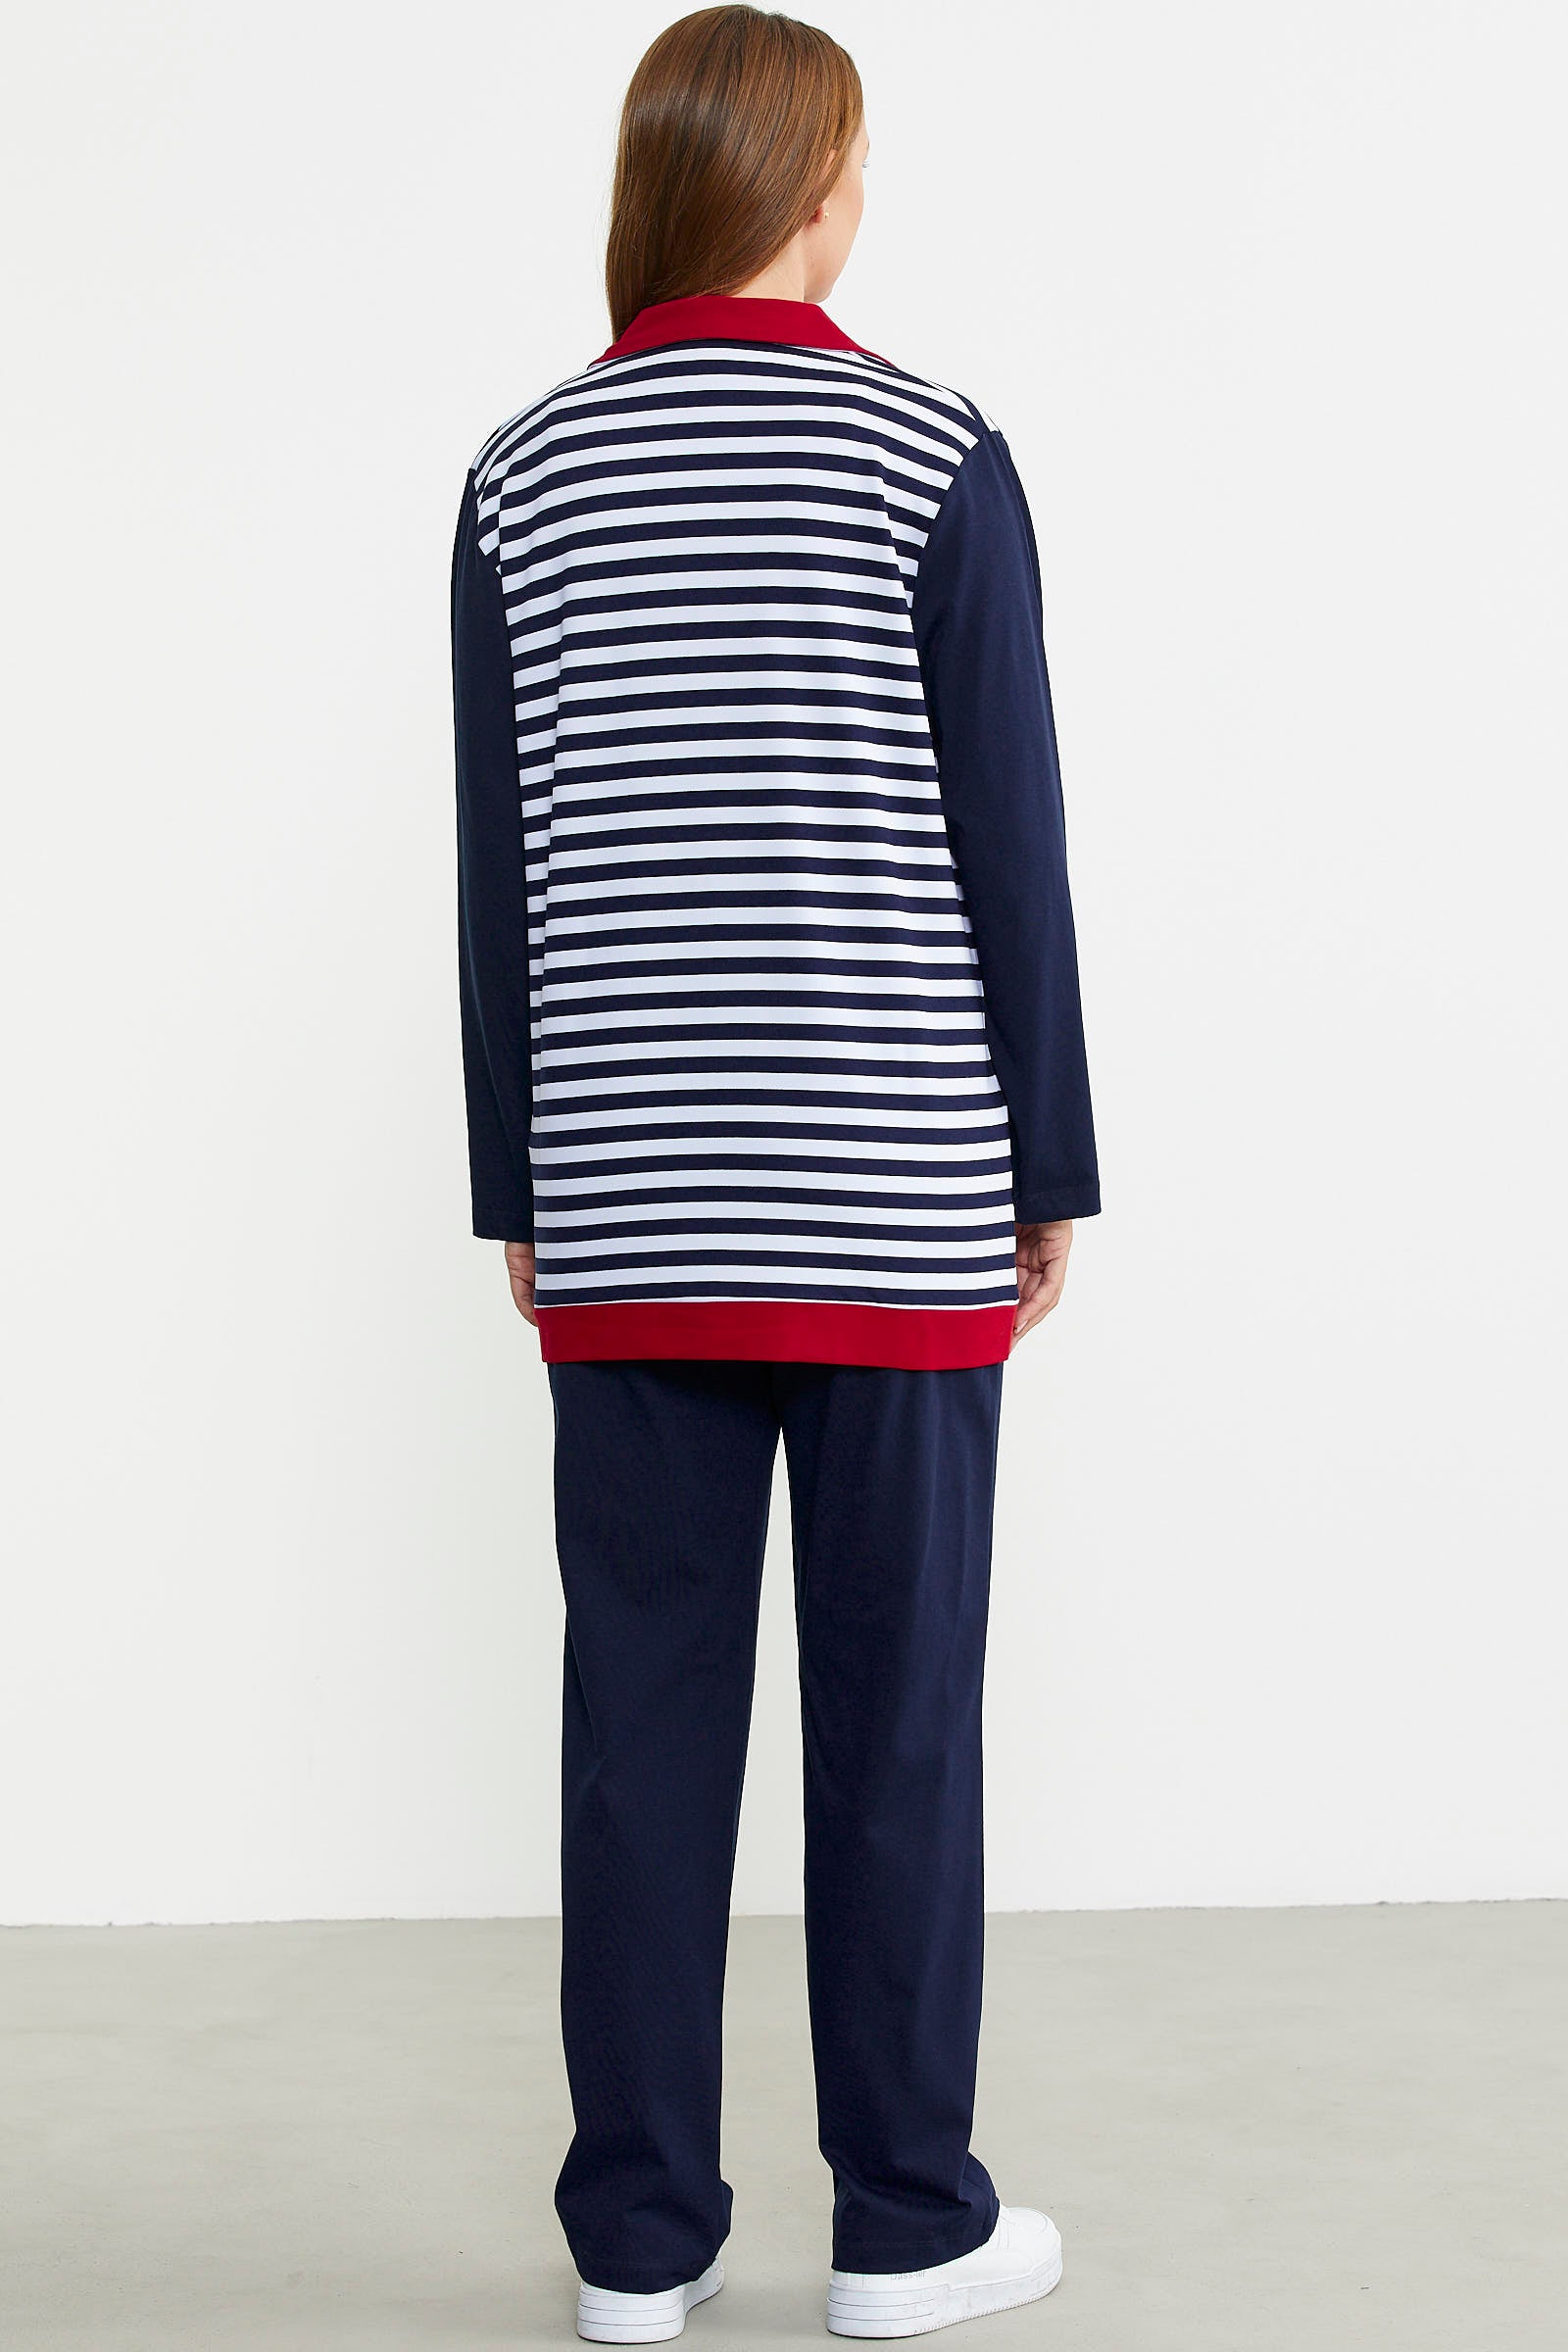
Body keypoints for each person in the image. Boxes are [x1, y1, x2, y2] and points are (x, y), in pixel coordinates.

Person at [451, 7, 1099, 2338]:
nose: (864, 199)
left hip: (631, 1202)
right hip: (889, 1191)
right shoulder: (932, 449)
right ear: (805, 186)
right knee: (895, 1724)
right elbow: (1005, 844)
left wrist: (517, 1182)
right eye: (857, 164)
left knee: (637, 1739)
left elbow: (504, 871)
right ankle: (905, 2226)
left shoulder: (521, 475)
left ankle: (635, 2247)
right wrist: (1049, 1162)